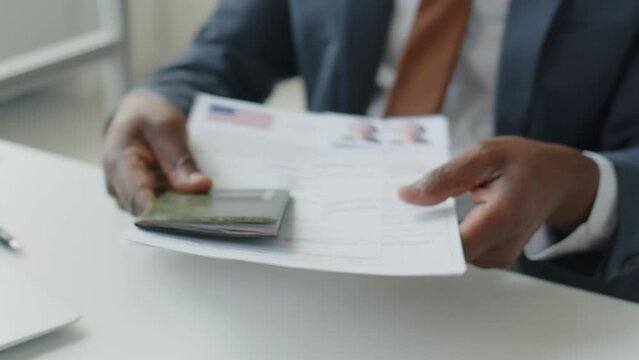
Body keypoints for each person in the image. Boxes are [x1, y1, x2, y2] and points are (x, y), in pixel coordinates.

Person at [102, 0, 639, 302]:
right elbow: (228, 50)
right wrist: (151, 100)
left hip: (550, 291)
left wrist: (578, 186)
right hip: (326, 268)